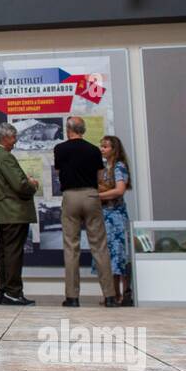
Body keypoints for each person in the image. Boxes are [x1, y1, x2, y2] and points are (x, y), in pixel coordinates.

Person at [52, 117, 118, 307]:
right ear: (84, 130)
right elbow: (99, 176)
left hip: (70, 196)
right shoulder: (93, 150)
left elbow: (58, 172)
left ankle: (72, 297)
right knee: (99, 246)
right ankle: (110, 296)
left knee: (71, 247)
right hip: (91, 195)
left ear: (68, 129)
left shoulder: (60, 149)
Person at [0, 122, 38, 306]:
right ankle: (14, 293)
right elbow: (20, 185)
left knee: (3, 254)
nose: (15, 141)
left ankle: (2, 292)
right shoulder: (6, 157)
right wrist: (33, 184)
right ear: (5, 137)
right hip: (13, 213)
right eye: (13, 137)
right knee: (14, 254)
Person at [95, 135, 133, 307]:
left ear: (114, 149)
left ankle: (125, 292)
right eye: (101, 146)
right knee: (108, 255)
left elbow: (119, 190)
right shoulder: (102, 167)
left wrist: (97, 195)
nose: (102, 149)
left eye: (106, 147)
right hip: (104, 215)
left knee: (120, 255)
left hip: (116, 216)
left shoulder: (119, 166)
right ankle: (112, 292)